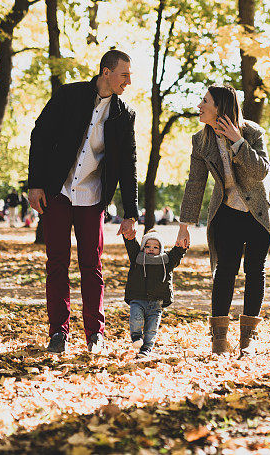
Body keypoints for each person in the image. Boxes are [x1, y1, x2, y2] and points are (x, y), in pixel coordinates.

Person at [176, 84, 270, 357]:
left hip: (258, 212)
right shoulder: (201, 141)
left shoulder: (252, 133)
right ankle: (219, 340)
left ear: (220, 107)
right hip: (227, 211)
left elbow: (260, 171)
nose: (199, 105)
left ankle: (248, 340)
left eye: (204, 101)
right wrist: (184, 225)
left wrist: (238, 142)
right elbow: (195, 183)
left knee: (255, 270)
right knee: (225, 271)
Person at [28, 49, 138, 355]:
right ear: (106, 72)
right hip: (58, 192)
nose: (128, 81)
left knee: (92, 267)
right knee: (57, 264)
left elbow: (129, 163)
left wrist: (131, 212)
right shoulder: (69, 96)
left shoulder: (124, 114)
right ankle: (58, 333)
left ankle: (95, 334)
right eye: (124, 74)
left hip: (92, 198)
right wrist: (35, 184)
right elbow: (40, 136)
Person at [122, 229, 186, 358]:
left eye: (155, 247)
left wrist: (181, 247)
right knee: (135, 319)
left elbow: (176, 254)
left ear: (160, 249)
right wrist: (129, 238)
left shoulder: (166, 260)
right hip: (137, 298)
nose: (151, 249)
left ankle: (146, 349)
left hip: (156, 301)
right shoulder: (137, 257)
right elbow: (131, 246)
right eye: (147, 246)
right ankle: (136, 337)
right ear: (143, 247)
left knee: (151, 328)